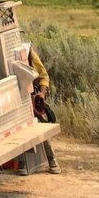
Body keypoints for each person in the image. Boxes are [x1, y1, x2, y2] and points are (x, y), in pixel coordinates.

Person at [21, 42, 59, 175]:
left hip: (30, 96)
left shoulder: (26, 50)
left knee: (41, 128)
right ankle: (23, 163)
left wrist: (41, 94)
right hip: (15, 98)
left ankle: (52, 160)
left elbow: (43, 75)